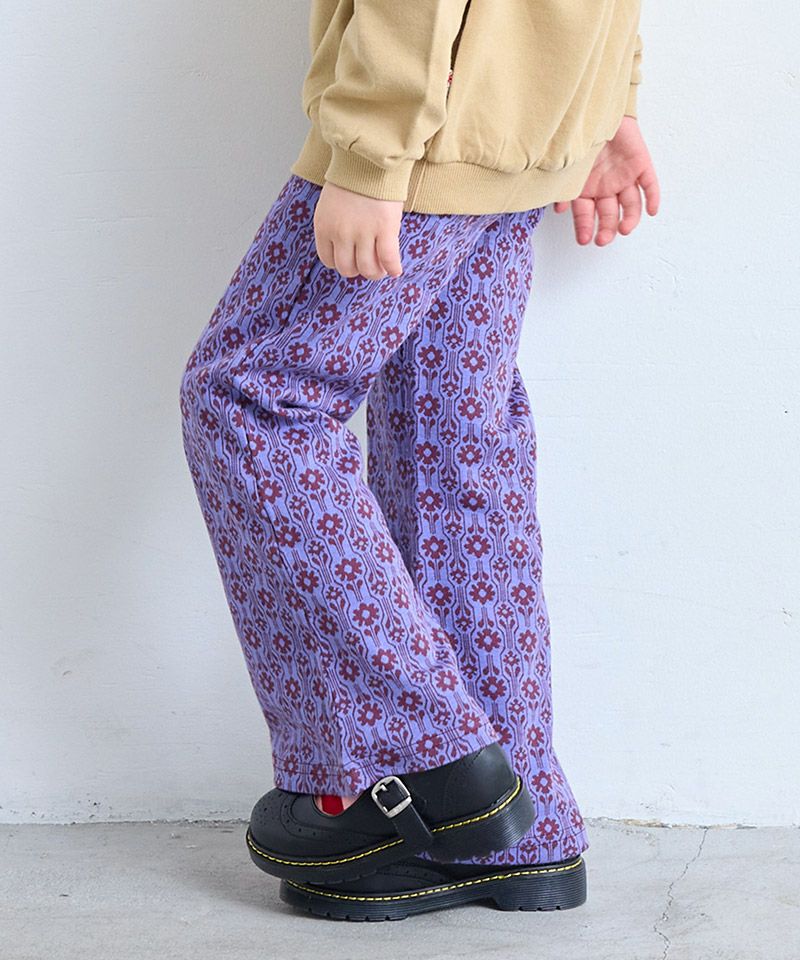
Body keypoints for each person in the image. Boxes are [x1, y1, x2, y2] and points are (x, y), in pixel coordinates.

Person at [179, 0, 659, 921]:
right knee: (455, 449)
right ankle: (514, 830)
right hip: (522, 123)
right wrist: (602, 103)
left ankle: (424, 765)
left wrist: (371, 152)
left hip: (432, 134)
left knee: (252, 397)